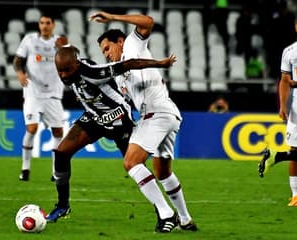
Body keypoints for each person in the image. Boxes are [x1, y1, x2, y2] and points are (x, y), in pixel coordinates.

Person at [46, 46, 177, 231]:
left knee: (135, 166)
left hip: (119, 119)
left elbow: (129, 64)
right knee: (61, 154)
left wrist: (160, 63)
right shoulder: (71, 73)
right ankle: (62, 206)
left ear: (76, 63)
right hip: (95, 117)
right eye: (60, 70)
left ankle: (164, 214)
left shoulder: (92, 72)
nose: (63, 74)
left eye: (67, 69)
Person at [90, 11, 197, 232]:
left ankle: (166, 215)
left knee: (131, 162)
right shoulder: (119, 74)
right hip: (166, 115)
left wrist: (112, 17)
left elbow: (148, 22)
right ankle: (185, 219)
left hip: (157, 114)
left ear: (119, 41)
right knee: (162, 172)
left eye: (107, 49)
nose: (107, 55)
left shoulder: (131, 45)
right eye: (103, 52)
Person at [13, 13, 68, 181]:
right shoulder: (29, 40)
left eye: (48, 23)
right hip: (33, 93)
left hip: (53, 94)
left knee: (58, 132)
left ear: (53, 25)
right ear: (39, 25)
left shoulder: (60, 42)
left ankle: (55, 171)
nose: (44, 26)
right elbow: (17, 60)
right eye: (42, 23)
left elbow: (73, 59)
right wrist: (20, 73)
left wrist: (66, 47)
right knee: (32, 128)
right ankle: (25, 169)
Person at [258, 11, 297, 207]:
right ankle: (296, 196)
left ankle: (278, 155)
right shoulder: (289, 52)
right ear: (295, 27)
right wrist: (283, 105)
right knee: (296, 148)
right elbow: (285, 81)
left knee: (294, 151)